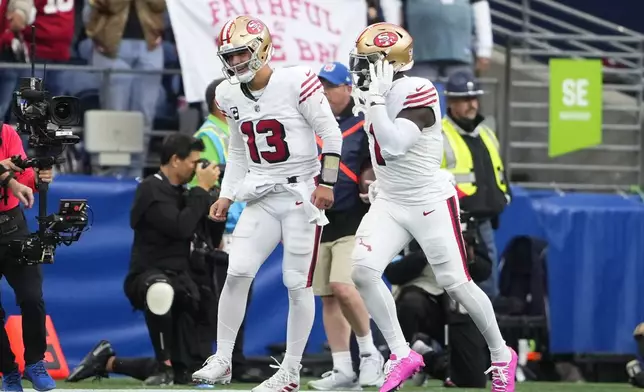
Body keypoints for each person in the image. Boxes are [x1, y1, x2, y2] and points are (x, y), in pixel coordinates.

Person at [347, 22, 518, 392]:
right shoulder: (374, 94)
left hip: (428, 201)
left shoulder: (419, 90)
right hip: (391, 200)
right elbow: (381, 155)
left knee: (456, 284)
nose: (359, 69)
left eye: (367, 62)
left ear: (389, 64)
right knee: (361, 270)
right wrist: (373, 182)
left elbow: (394, 144)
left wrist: (375, 102)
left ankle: (502, 354)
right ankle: (400, 353)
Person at [191, 15, 343, 392]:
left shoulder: (296, 81)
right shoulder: (227, 94)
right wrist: (226, 194)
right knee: (237, 271)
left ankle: (290, 371)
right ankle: (223, 358)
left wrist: (327, 182)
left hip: (299, 195)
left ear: (261, 49)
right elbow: (238, 153)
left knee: (296, 284)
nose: (236, 62)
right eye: (230, 55)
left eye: (242, 53)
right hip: (260, 194)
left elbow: (331, 133)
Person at [66, 134, 220, 386]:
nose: (196, 168)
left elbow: (209, 238)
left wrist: (214, 201)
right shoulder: (150, 188)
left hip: (184, 281)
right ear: (175, 160)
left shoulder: (189, 193)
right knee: (161, 289)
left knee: (187, 372)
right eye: (193, 162)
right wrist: (201, 191)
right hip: (147, 275)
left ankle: (109, 362)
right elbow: (180, 227)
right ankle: (162, 365)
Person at [308, 61, 384, 390]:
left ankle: (370, 354)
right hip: (319, 220)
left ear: (348, 88)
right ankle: (343, 369)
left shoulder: (364, 123)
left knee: (343, 286)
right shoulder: (312, 121)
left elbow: (379, 163)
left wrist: (371, 182)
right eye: (320, 85)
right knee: (327, 296)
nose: (324, 92)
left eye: (331, 86)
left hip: (355, 217)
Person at [384, 185, 492, 388]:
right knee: (410, 304)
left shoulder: (465, 223)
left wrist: (470, 257)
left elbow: (485, 270)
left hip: (457, 298)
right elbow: (393, 273)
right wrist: (428, 251)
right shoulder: (404, 219)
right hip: (421, 294)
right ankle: (399, 360)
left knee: (472, 380)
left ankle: (427, 359)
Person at [441, 70, 510, 299]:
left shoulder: (487, 133)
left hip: (483, 221)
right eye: (464, 99)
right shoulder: (438, 135)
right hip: (451, 222)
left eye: (474, 98)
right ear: (450, 101)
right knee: (451, 283)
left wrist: (504, 197)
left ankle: (487, 333)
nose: (472, 104)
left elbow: (498, 173)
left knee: (488, 284)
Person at [0, 122, 54, 392]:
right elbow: (8, 171)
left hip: (12, 225)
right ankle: (9, 371)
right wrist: (5, 171)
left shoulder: (7, 132)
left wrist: (38, 175)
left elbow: (23, 173)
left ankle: (35, 362)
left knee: (32, 296)